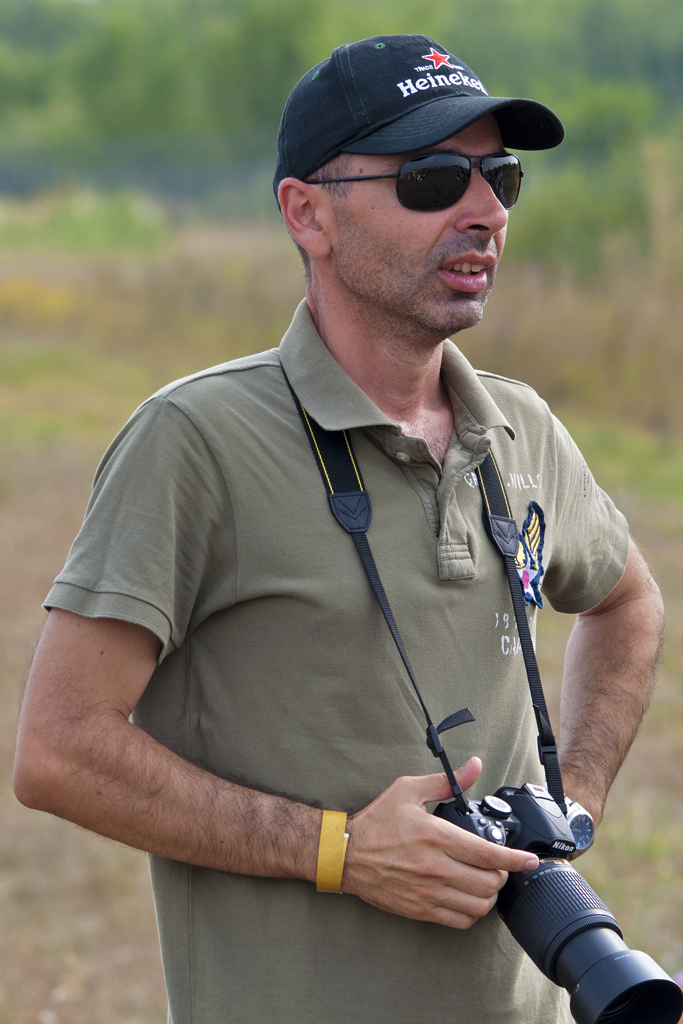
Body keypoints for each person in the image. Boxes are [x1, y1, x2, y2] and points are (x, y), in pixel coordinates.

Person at [14, 34, 663, 1024]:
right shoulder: (196, 442)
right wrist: (342, 853)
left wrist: (572, 796)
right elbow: (59, 750)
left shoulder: (517, 426)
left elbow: (625, 600)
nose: (484, 210)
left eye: (500, 176)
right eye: (435, 177)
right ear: (306, 212)